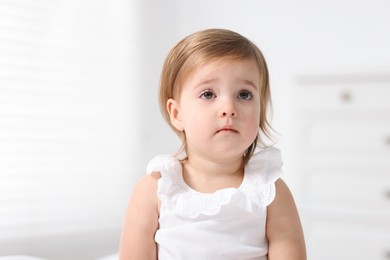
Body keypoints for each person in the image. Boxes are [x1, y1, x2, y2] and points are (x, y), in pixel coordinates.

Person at [119, 28, 306, 260]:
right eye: (208, 94)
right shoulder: (156, 190)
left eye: (244, 94)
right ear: (177, 114)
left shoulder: (268, 191)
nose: (229, 107)